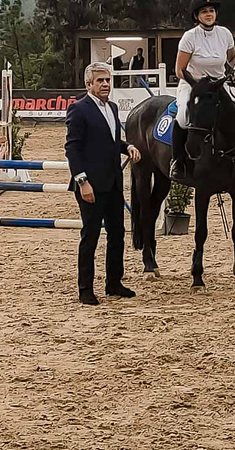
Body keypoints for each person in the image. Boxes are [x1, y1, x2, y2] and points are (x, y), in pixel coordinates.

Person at [65, 62, 141, 305]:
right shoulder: (79, 109)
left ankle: (113, 282)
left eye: (107, 80)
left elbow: (110, 141)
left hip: (113, 182)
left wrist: (126, 146)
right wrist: (82, 182)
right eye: (100, 81)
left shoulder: (113, 108)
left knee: (117, 233)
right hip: (91, 185)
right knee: (90, 236)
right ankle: (85, 288)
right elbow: (72, 149)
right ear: (89, 84)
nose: (106, 84)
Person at [170, 0, 235, 181]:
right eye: (204, 11)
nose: (209, 14)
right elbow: (179, 69)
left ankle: (234, 153)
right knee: (183, 118)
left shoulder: (225, 33)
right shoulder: (189, 37)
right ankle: (177, 161)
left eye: (211, 10)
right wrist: (199, 84)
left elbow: (232, 57)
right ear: (197, 16)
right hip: (193, 85)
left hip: (218, 85)